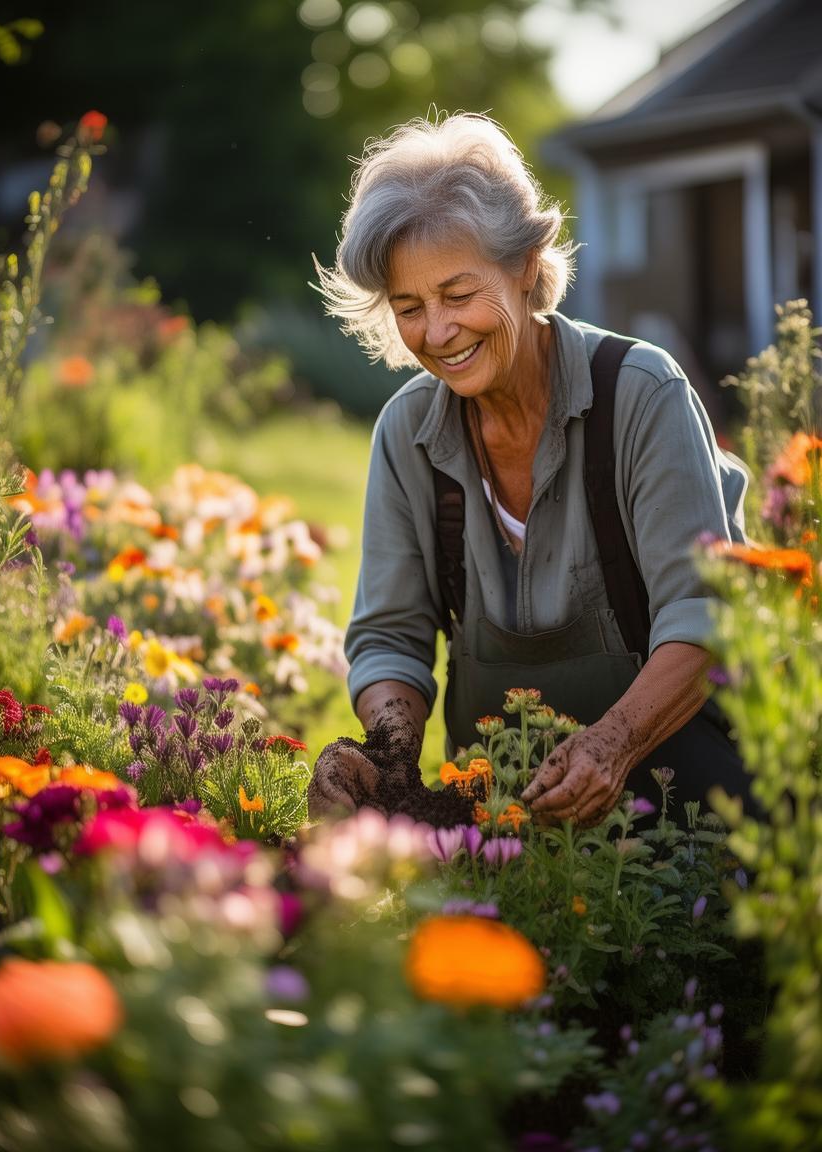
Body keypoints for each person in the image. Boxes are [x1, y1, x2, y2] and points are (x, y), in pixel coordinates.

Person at [307, 112, 752, 827]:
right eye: (409, 307)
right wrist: (388, 758)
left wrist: (610, 744)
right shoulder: (407, 432)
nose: (438, 333)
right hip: (499, 812)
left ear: (523, 265)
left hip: (678, 807)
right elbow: (389, 638)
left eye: (458, 295)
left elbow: (702, 615)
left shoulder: (640, 395)